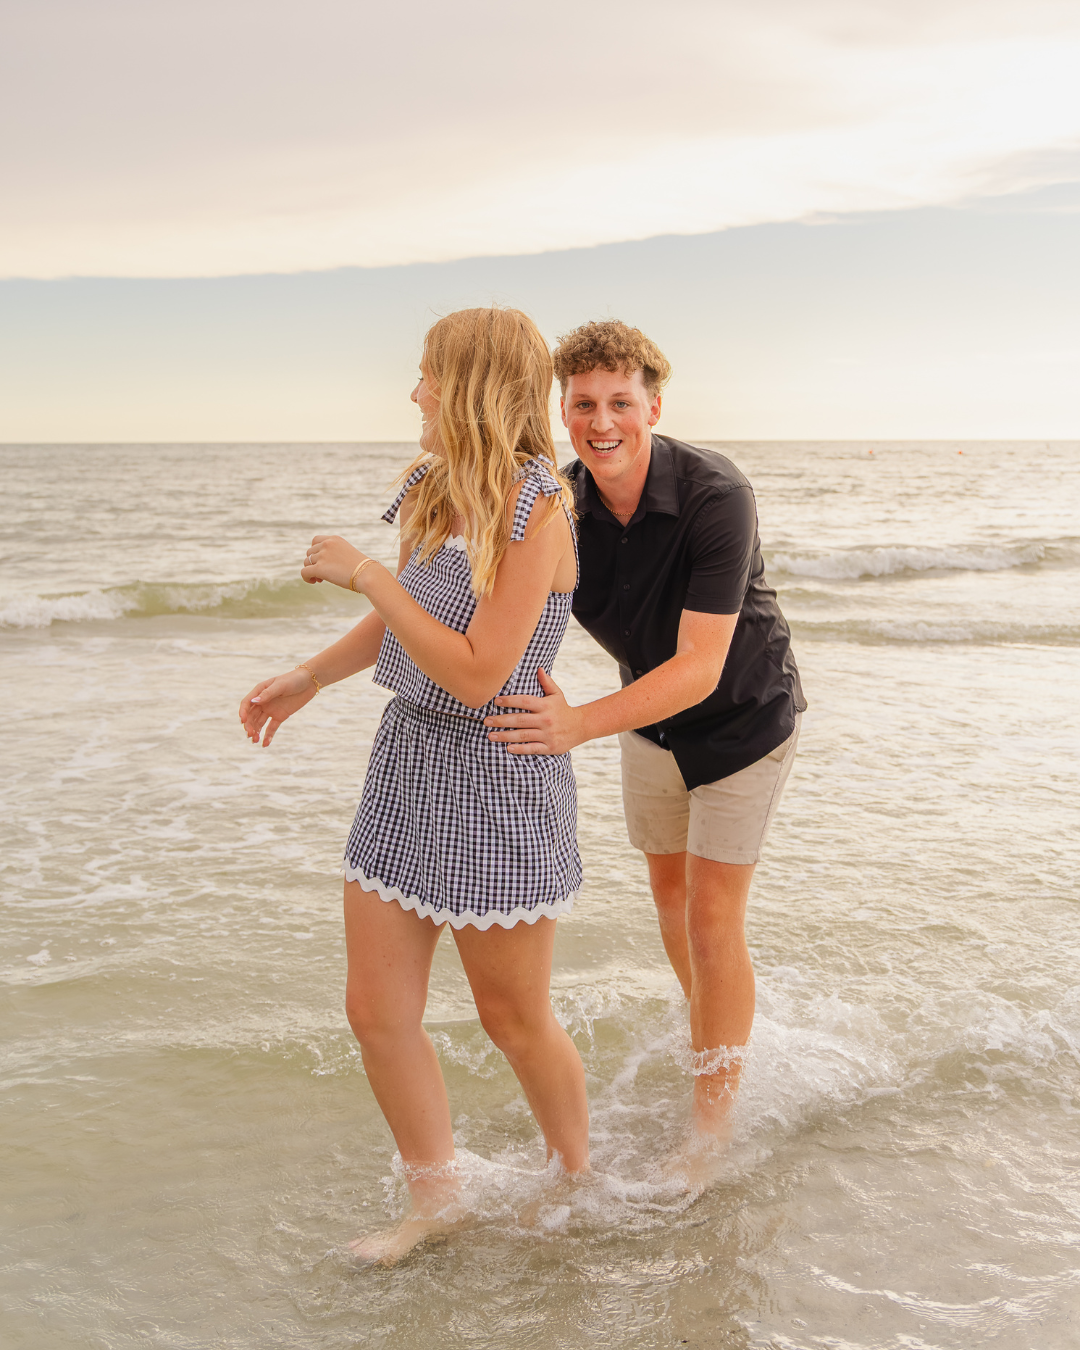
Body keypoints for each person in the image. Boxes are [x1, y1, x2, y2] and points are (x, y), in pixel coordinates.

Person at [238, 307, 588, 1262]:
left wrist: (363, 575)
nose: (415, 392)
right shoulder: (433, 489)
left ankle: (573, 1179)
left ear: (471, 384)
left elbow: (478, 667)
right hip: (407, 765)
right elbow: (407, 627)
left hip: (498, 778)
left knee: (512, 1018)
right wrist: (312, 674)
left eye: (429, 374)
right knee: (374, 1012)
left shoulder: (537, 507)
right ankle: (436, 1201)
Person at [485, 320, 805, 1173]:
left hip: (742, 717)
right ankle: (720, 1042)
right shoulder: (558, 504)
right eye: (583, 403)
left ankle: (711, 1125)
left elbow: (700, 667)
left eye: (620, 402)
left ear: (652, 406)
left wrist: (577, 724)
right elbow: (511, 613)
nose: (602, 422)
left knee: (710, 917)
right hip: (646, 717)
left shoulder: (715, 494)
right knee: (671, 901)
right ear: (562, 409)